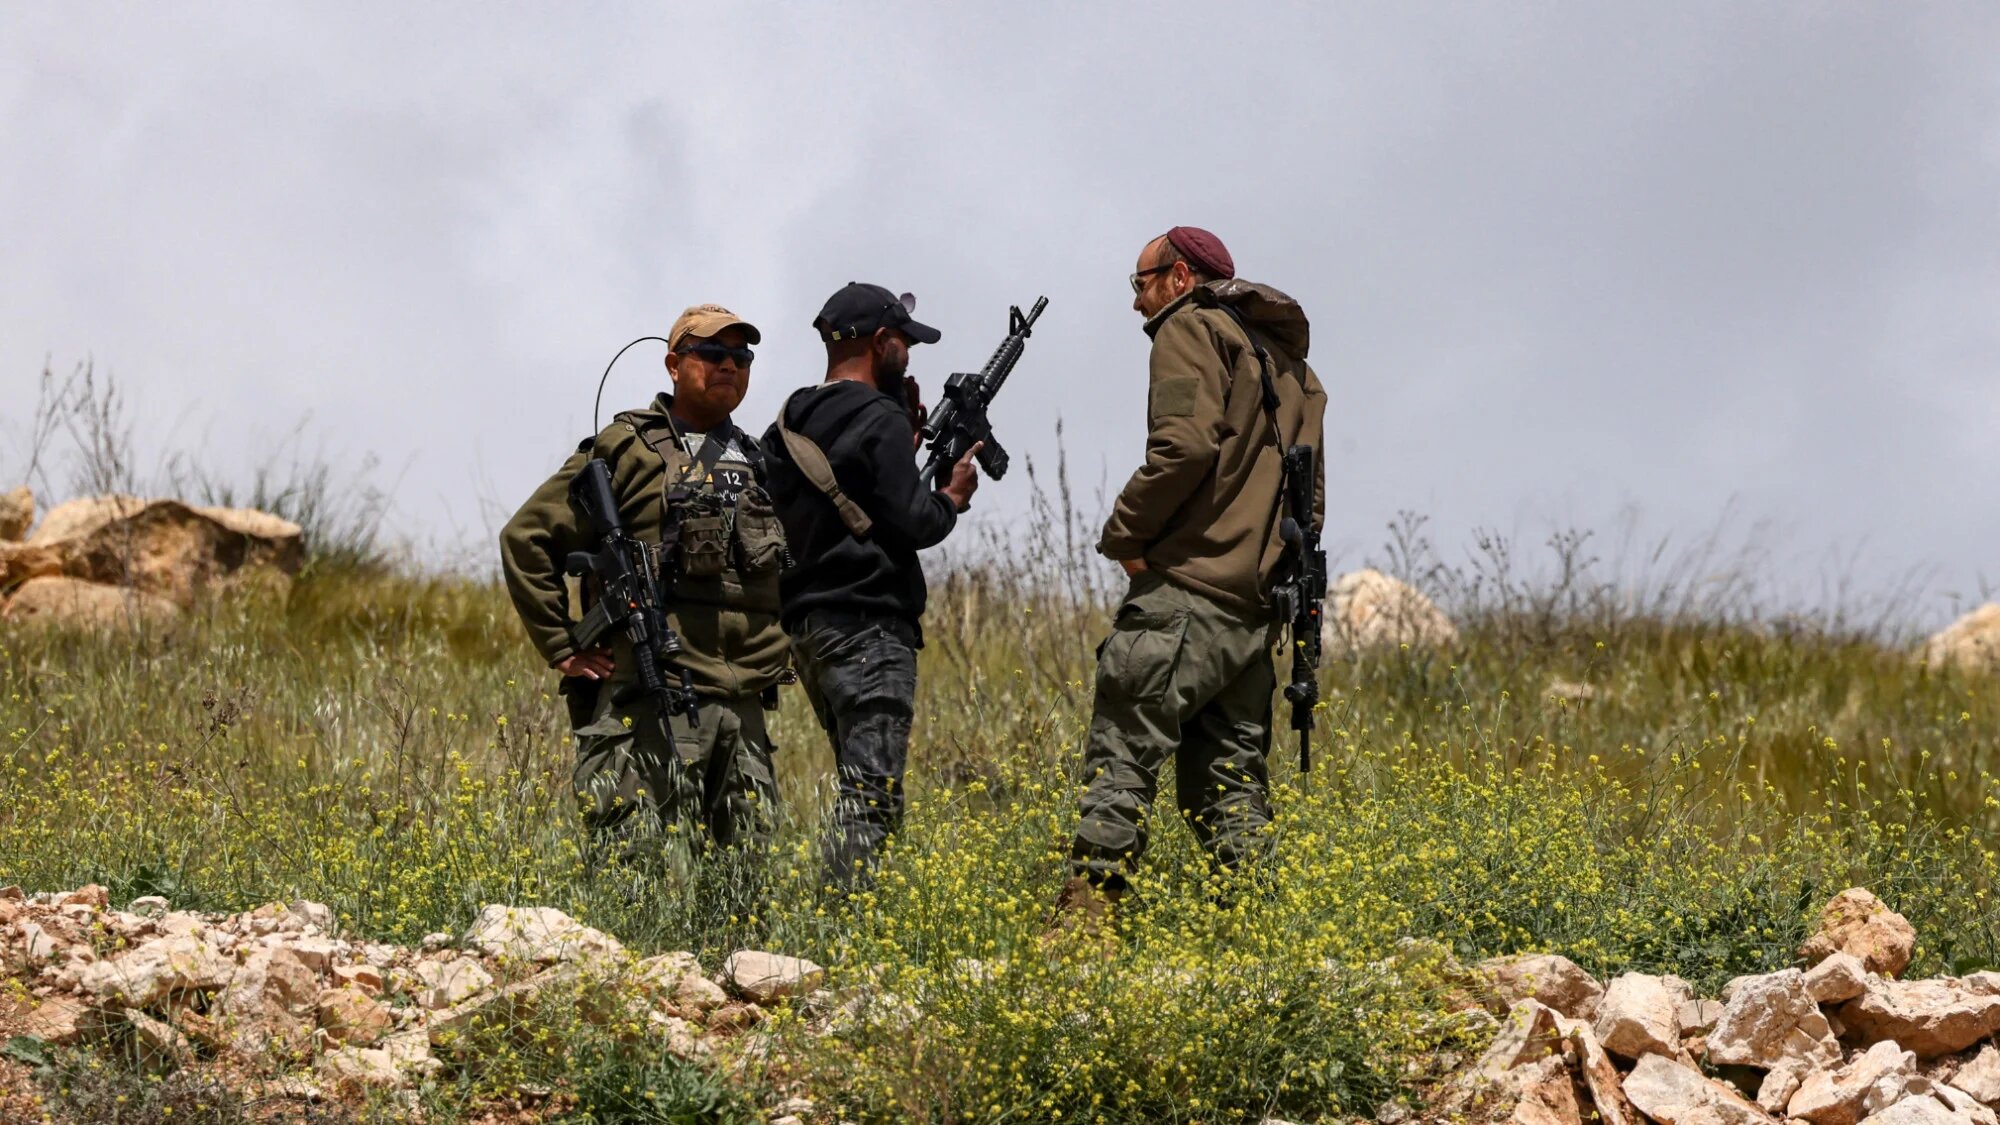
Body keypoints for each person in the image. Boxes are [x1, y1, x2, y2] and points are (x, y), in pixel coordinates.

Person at [1054, 228, 1327, 930]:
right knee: (1231, 786)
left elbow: (1183, 447)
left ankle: (1085, 931)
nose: (1137, 302)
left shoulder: (1189, 329)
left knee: (1122, 755)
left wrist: (1126, 533)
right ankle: (1256, 938)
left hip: (1182, 595)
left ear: (1178, 277)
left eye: (1140, 283)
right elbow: (1310, 501)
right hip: (1254, 610)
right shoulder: (1294, 366)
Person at [499, 304, 792, 862]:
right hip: (651, 692)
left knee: (745, 883)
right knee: (634, 873)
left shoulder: (758, 460)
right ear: (674, 365)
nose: (729, 365)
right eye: (712, 353)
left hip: (744, 703)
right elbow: (525, 538)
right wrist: (562, 645)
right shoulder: (627, 447)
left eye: (741, 356)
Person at [760, 282, 982, 889]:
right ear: (879, 342)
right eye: (904, 342)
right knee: (872, 794)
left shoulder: (787, 422)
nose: (909, 354)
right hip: (869, 626)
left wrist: (902, 452)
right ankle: (841, 928)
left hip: (808, 631)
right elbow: (915, 522)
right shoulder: (879, 416)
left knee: (860, 780)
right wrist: (951, 498)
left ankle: (849, 916)